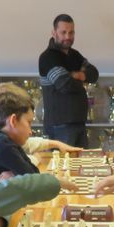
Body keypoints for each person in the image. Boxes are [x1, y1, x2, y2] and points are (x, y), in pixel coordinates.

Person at [0, 83, 80, 180]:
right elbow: (35, 180)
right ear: (13, 121)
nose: (30, 132)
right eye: (29, 122)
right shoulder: (2, 144)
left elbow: (32, 173)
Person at [38, 14, 99, 147]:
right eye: (63, 32)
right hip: (59, 125)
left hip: (79, 122)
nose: (67, 37)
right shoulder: (47, 57)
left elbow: (94, 74)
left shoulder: (74, 55)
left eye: (71, 32)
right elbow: (65, 85)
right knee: (63, 162)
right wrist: (82, 78)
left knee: (81, 160)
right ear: (54, 33)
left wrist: (78, 75)